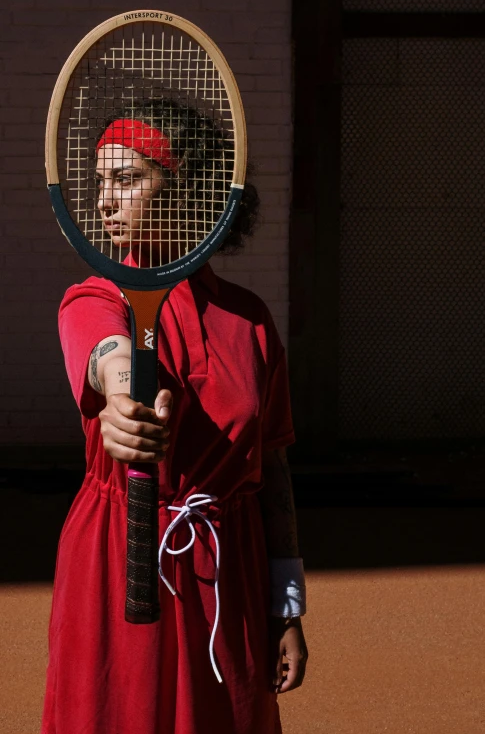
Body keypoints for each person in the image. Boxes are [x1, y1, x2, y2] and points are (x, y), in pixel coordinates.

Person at [41, 99, 308, 734]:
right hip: (115, 559)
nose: (105, 200)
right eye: (100, 181)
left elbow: (272, 469)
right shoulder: (93, 297)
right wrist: (122, 404)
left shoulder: (249, 320)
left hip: (227, 568)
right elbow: (105, 355)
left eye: (126, 179)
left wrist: (287, 605)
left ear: (192, 185)